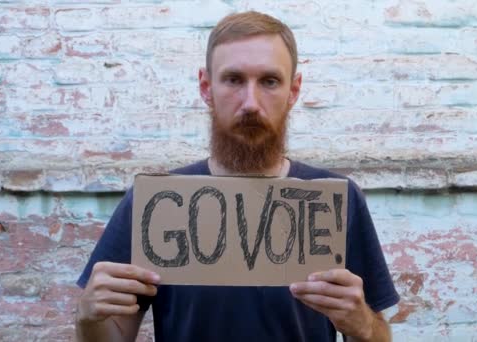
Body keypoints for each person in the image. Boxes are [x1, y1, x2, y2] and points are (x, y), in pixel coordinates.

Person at [75, 11, 399, 342]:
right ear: (206, 87)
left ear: (294, 90)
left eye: (270, 81)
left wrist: (362, 323)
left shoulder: (338, 200)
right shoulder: (156, 202)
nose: (251, 103)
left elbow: (378, 335)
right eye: (233, 80)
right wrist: (87, 319)